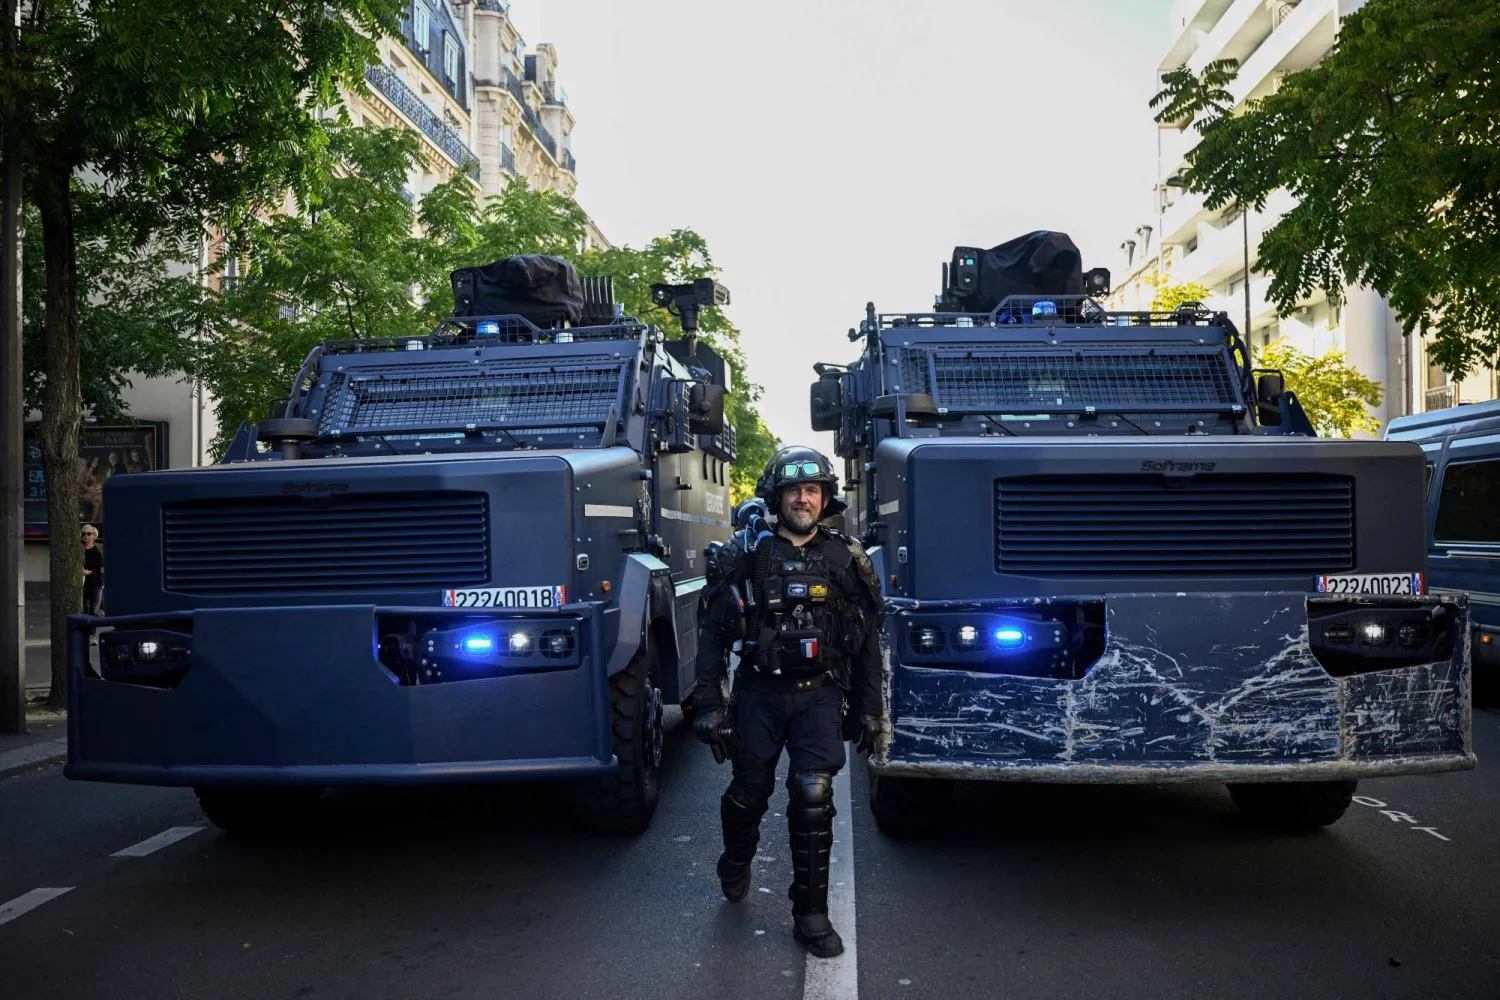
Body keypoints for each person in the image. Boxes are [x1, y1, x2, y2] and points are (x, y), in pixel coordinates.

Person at [693, 446, 887, 958]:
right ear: (776, 497)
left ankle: (810, 913)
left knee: (812, 795)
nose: (803, 499)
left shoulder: (847, 558)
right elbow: (712, 634)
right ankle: (736, 861)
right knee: (748, 794)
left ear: (826, 498)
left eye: (813, 491)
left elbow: (867, 642)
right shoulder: (743, 555)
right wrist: (709, 702)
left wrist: (871, 708)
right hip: (759, 695)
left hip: (819, 697)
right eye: (794, 491)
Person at [81, 524, 104, 615]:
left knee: (94, 610)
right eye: (84, 534)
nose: (86, 535)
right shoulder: (79, 548)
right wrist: (80, 571)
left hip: (98, 580)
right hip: (84, 581)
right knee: (85, 609)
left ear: (94, 536)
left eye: (89, 533)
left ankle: (92, 628)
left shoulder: (100, 547)